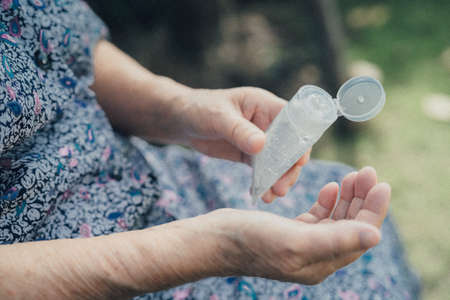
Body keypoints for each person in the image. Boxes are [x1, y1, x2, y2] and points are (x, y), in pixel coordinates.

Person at [0, 1, 420, 299]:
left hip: (134, 175)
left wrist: (180, 108)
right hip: (76, 273)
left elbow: (64, 38)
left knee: (352, 227)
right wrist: (218, 248)